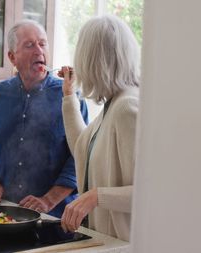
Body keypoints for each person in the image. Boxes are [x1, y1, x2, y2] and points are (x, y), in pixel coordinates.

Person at [0, 20, 88, 218]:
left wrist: (48, 200)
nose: (39, 50)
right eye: (29, 45)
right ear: (12, 57)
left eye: (42, 44)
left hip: (56, 217)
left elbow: (80, 157)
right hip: (5, 211)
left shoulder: (70, 97)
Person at [59, 14, 140, 241]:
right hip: (106, 242)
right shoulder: (113, 104)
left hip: (122, 245)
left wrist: (96, 196)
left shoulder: (127, 108)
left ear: (91, 60)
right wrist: (69, 95)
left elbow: (151, 192)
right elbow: (81, 149)